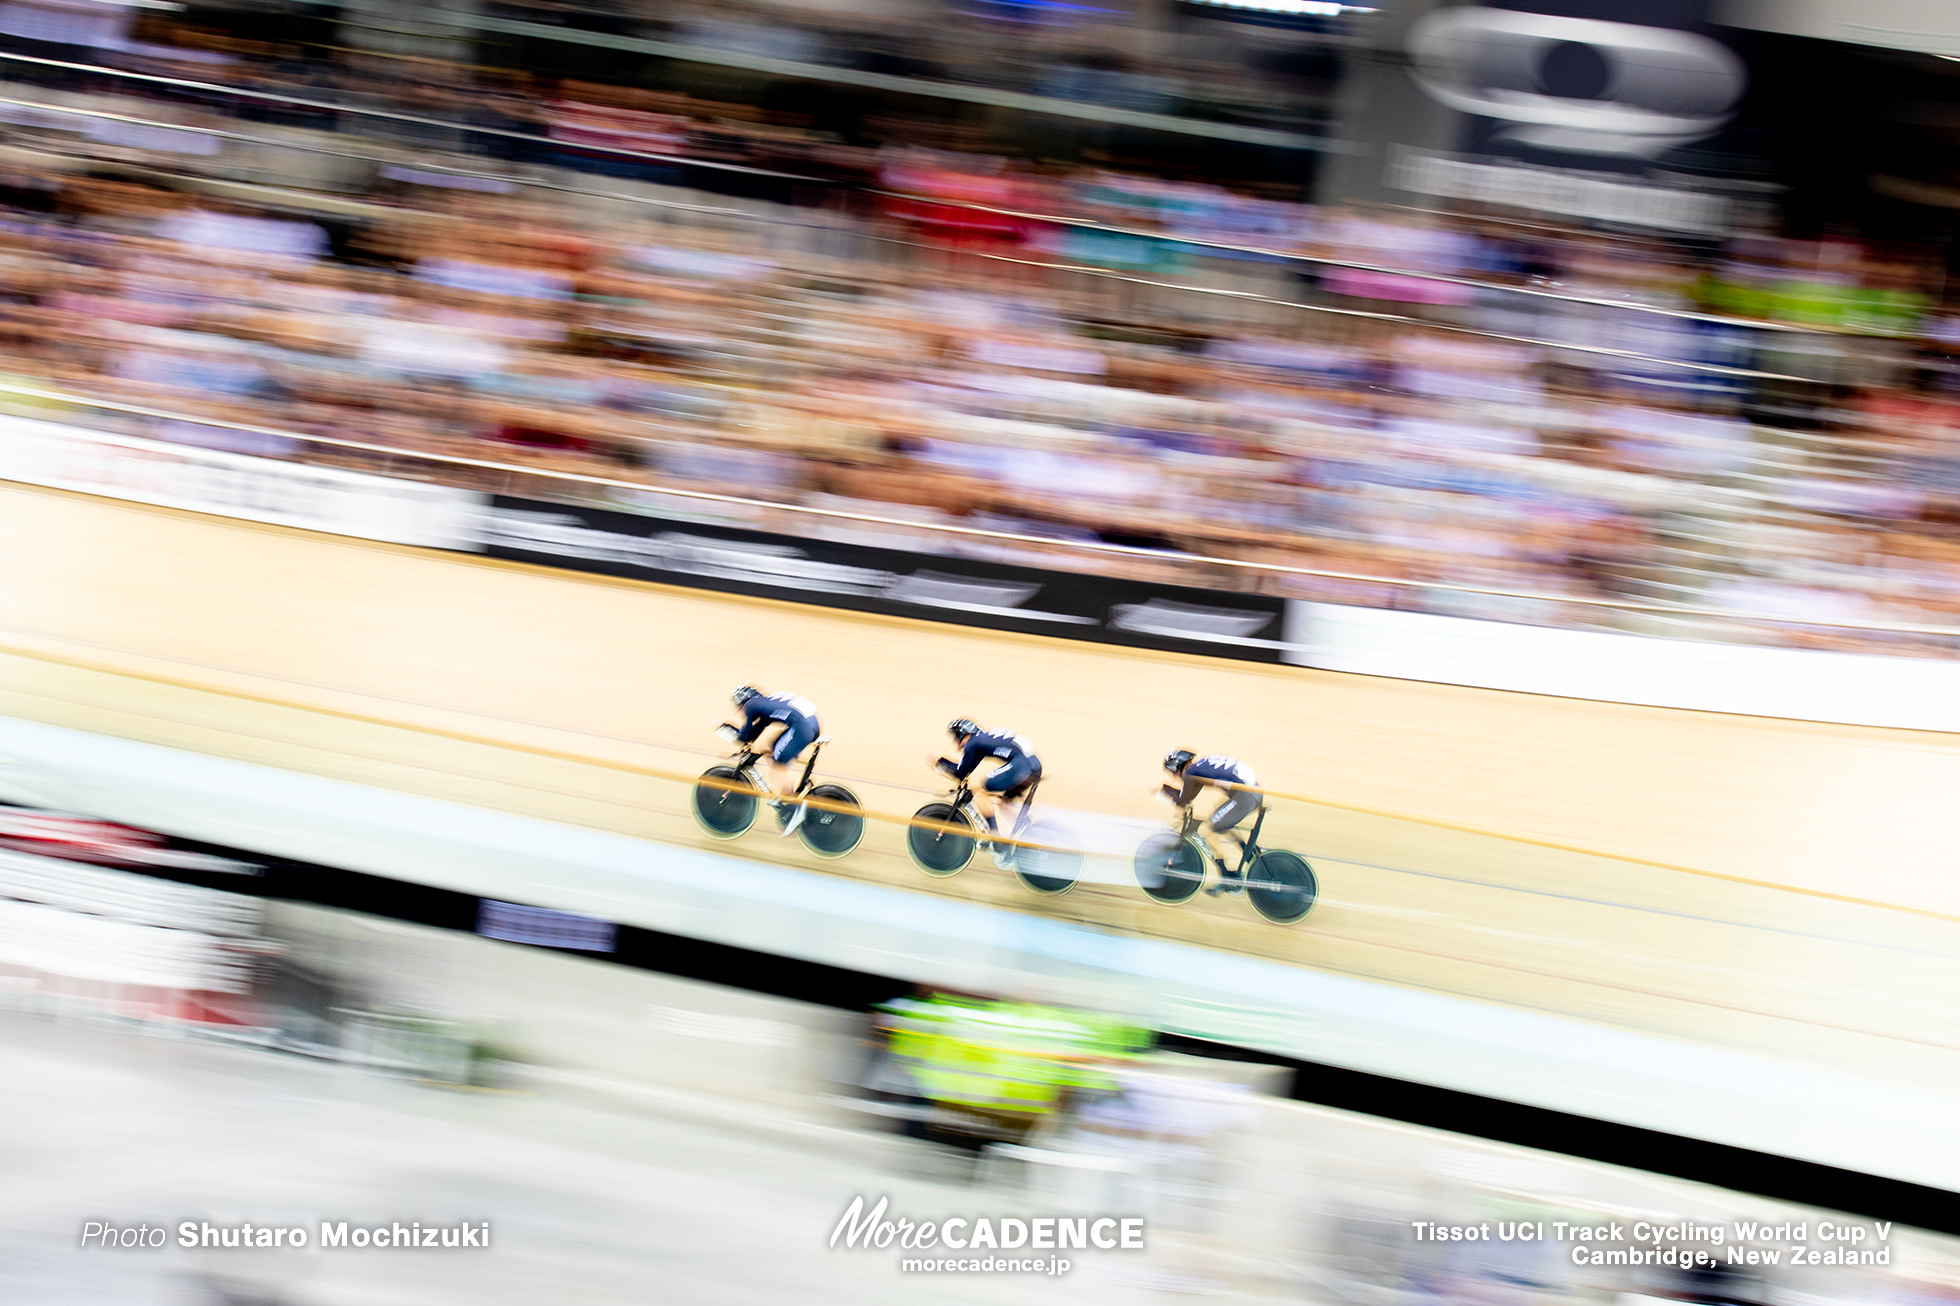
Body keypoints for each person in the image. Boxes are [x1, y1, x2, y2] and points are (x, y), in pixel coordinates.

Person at [933, 719, 1041, 868]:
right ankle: (1024, 829)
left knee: (982, 790)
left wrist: (940, 761)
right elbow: (967, 769)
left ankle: (995, 837)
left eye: (954, 737)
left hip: (1020, 764)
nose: (954, 741)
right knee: (1005, 801)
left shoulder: (972, 744)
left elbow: (960, 772)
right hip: (1031, 764)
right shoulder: (981, 741)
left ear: (961, 735)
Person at [1160, 750, 1261, 895]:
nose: (1175, 778)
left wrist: (1162, 789)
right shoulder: (1199, 768)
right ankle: (1249, 853)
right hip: (1249, 794)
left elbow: (1183, 801)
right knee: (1218, 821)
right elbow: (1190, 795)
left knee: (1207, 829)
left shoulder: (1191, 773)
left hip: (1245, 796)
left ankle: (1225, 878)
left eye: (1174, 774)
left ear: (1178, 767)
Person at [726, 685, 820, 837]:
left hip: (802, 727)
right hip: (809, 724)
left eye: (737, 707)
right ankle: (790, 797)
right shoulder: (764, 703)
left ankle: (794, 809)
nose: (738, 711)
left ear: (743, 702)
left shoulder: (751, 705)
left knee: (775, 769)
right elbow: (754, 732)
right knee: (771, 748)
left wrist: (726, 725)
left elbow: (745, 736)